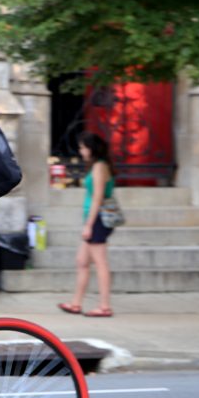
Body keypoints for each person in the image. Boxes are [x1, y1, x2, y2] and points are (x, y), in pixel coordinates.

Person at [58, 132, 115, 317]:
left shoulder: (99, 167)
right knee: (82, 261)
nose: (81, 151)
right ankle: (76, 303)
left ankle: (105, 306)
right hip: (92, 219)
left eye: (83, 147)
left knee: (100, 262)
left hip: (97, 219)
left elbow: (98, 198)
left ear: (91, 149)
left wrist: (89, 225)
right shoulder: (97, 166)